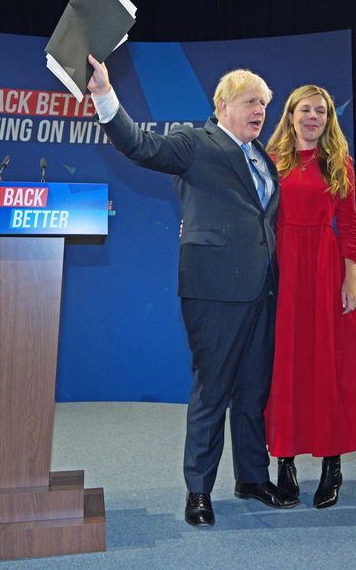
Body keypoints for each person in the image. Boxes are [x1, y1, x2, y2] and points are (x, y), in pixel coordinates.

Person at [86, 55, 298, 527]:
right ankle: (199, 491)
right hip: (214, 288)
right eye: (250, 102)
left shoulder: (262, 157)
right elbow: (140, 146)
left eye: (264, 104)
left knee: (253, 391)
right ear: (223, 105)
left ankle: (252, 477)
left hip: (262, 290)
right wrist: (104, 95)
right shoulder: (195, 142)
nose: (260, 111)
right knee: (213, 390)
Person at [262, 85, 356, 509]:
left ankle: (331, 466)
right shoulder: (270, 160)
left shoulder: (340, 162)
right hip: (282, 271)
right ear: (291, 114)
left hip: (324, 271)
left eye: (321, 111)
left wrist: (350, 279)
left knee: (328, 368)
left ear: (328, 119)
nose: (313, 117)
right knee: (285, 367)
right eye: (306, 109)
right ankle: (284, 464)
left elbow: (350, 224)